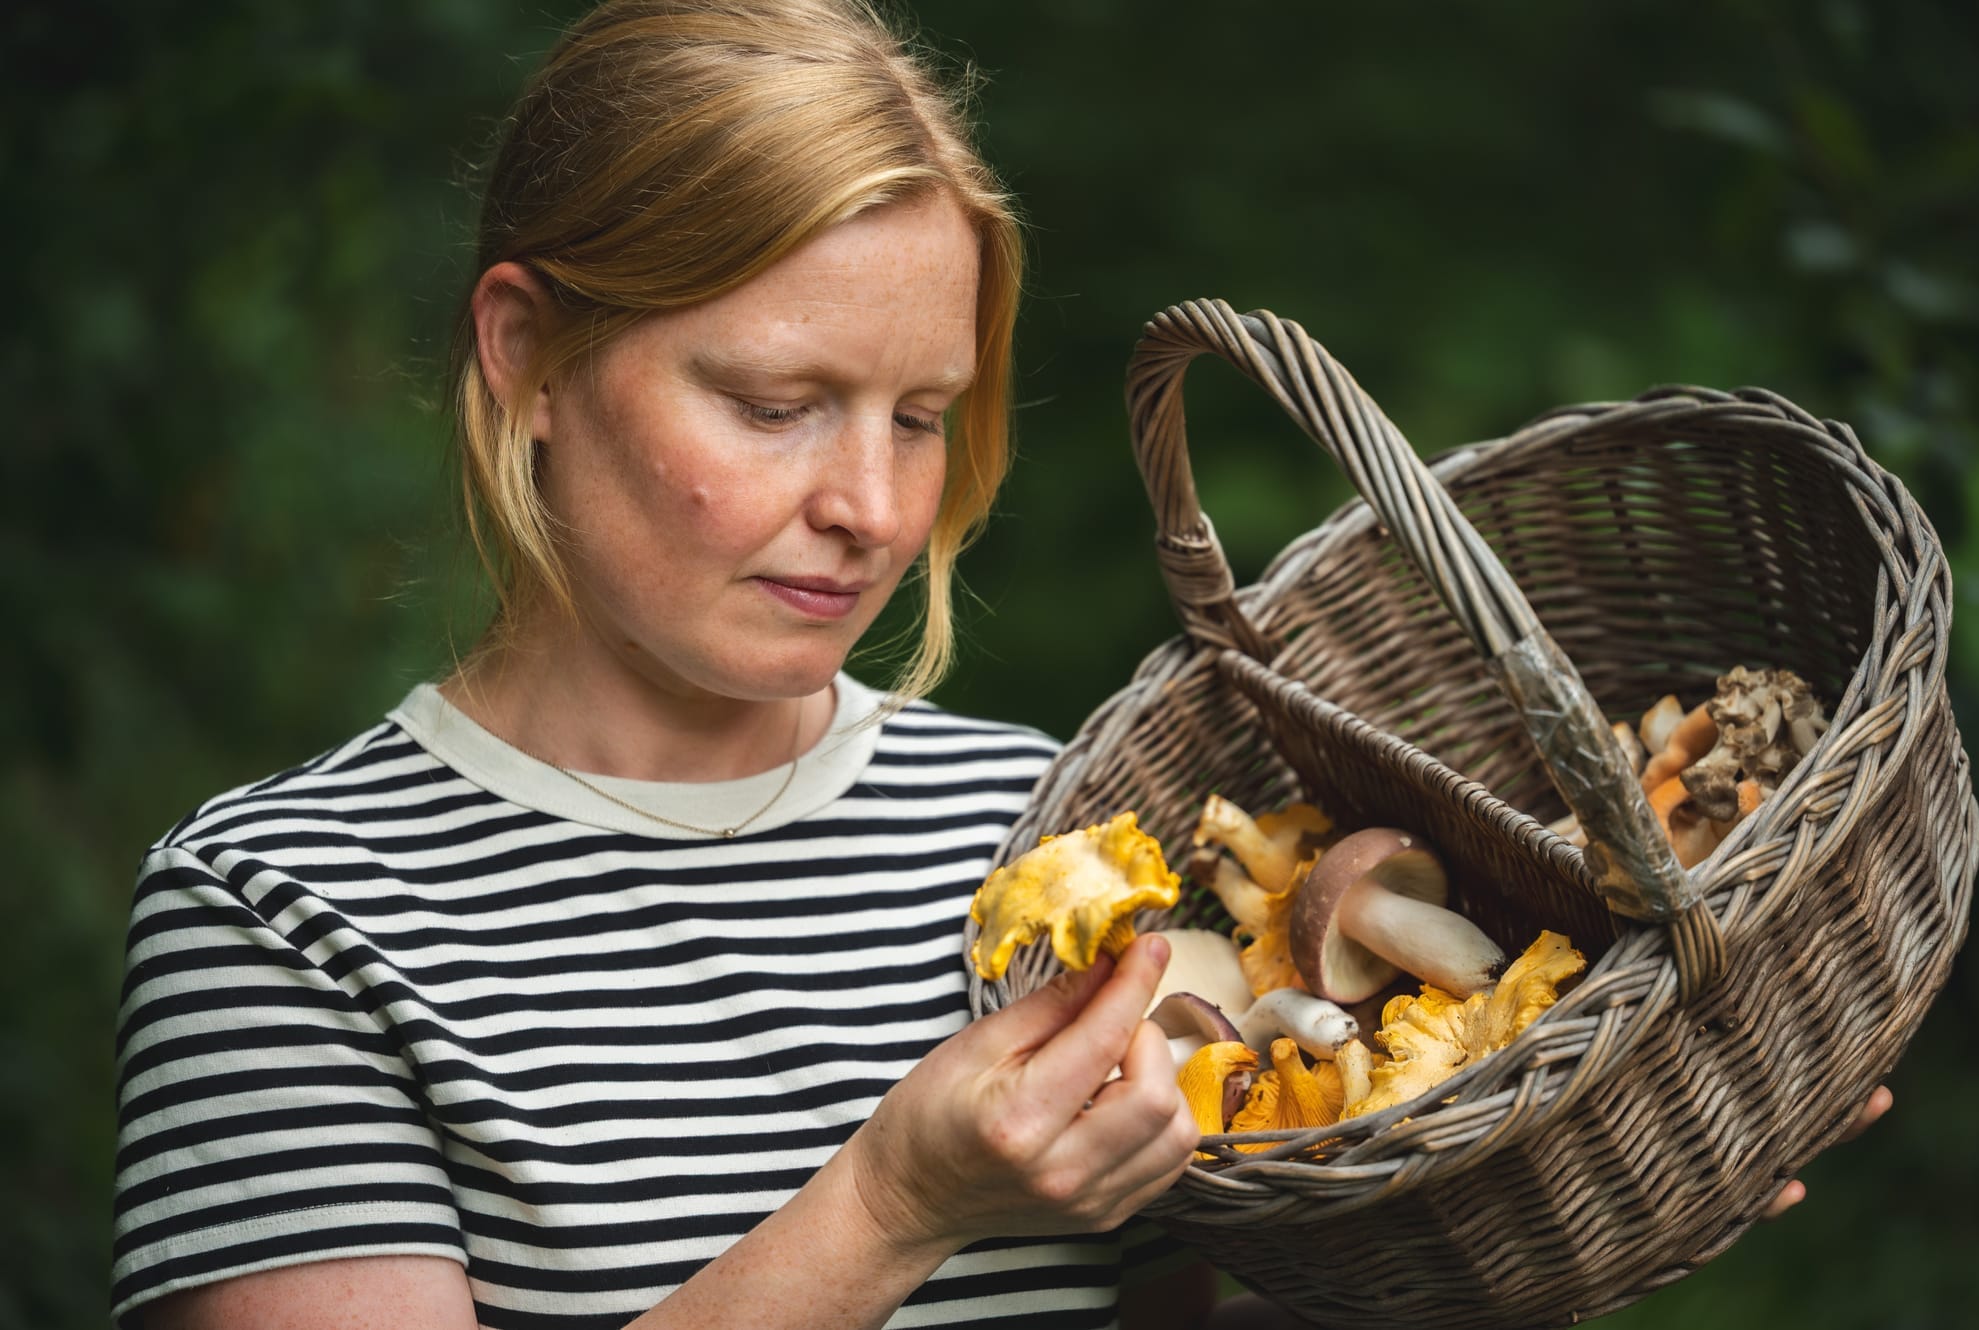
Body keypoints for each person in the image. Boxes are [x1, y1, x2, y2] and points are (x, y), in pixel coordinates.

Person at [109, 3, 1887, 1327]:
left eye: (921, 417)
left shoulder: (1037, 829)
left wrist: (1539, 1212)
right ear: (527, 356)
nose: (872, 508)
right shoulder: (286, 911)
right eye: (775, 402)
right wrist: (890, 1203)